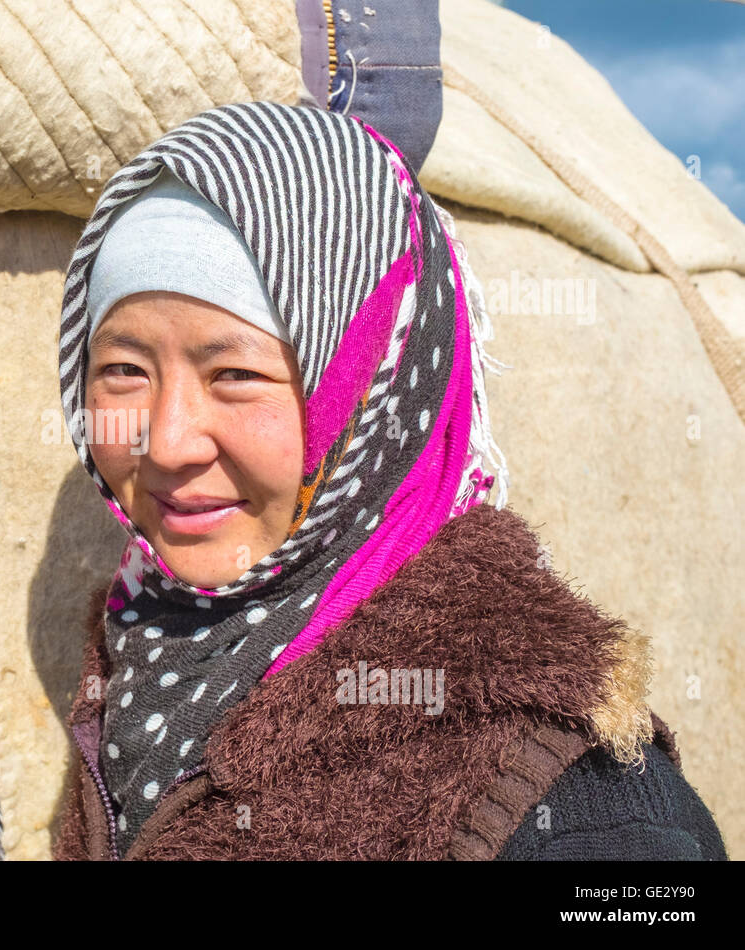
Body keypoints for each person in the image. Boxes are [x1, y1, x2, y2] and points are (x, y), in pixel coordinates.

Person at [52, 101, 727, 860]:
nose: (167, 443)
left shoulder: (581, 807)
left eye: (236, 373)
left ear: (373, 392)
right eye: (122, 370)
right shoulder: (138, 656)